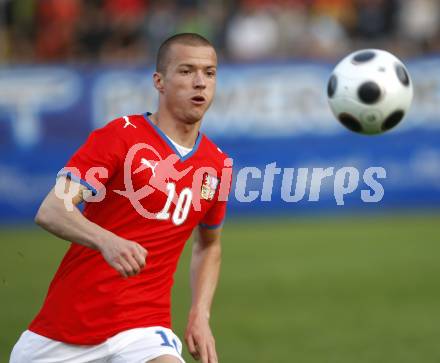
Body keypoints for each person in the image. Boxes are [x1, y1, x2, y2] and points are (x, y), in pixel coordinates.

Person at [10, 33, 231, 363]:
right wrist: (106, 241)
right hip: (64, 330)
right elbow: (52, 209)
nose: (199, 82)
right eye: (186, 71)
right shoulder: (120, 137)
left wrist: (200, 314)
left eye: (209, 72)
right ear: (159, 81)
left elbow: (209, 245)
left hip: (144, 331)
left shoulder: (218, 166)